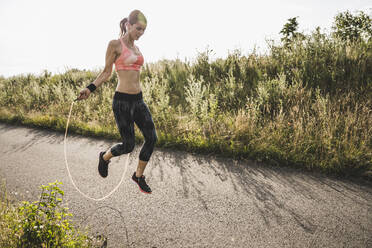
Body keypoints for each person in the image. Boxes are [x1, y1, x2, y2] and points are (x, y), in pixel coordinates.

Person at [77, 10, 157, 194]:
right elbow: (106, 72)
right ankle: (104, 157)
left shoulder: (137, 49)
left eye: (144, 30)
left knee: (152, 138)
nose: (140, 33)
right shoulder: (115, 44)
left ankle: (138, 176)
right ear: (128, 25)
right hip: (122, 102)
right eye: (138, 29)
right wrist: (89, 88)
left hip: (138, 101)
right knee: (128, 146)